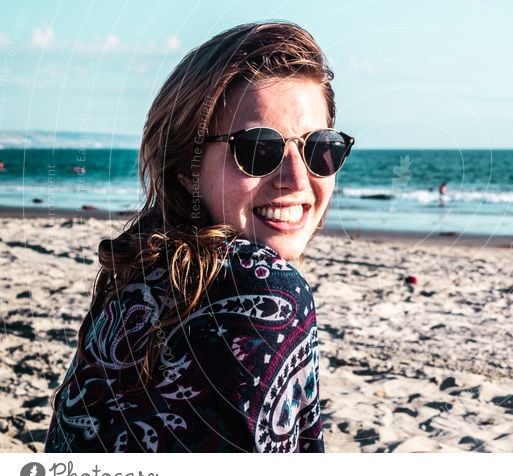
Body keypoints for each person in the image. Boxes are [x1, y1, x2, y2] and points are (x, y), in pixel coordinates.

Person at [44, 22, 354, 453]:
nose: (297, 178)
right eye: (258, 149)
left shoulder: (137, 276)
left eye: (320, 147)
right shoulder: (263, 292)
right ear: (187, 168)